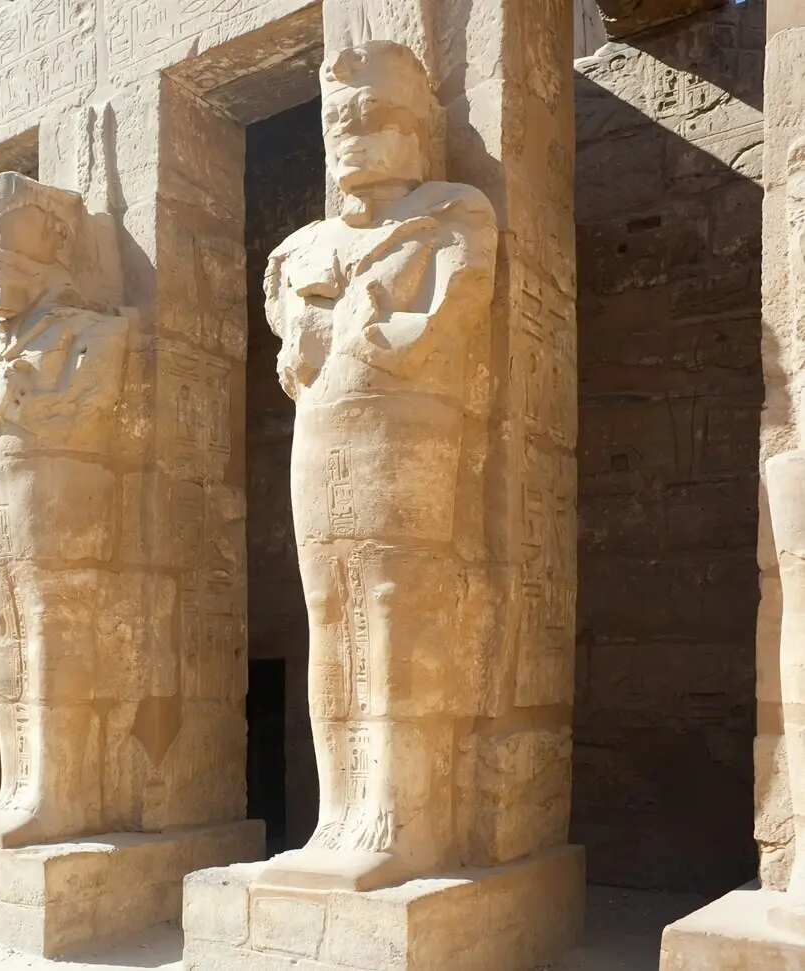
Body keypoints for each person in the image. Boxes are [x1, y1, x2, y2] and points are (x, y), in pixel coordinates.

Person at [259, 41, 498, 892]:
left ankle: (400, 817)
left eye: (375, 116)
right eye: (338, 120)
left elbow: (432, 330)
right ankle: (337, 815)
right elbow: (295, 350)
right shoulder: (296, 249)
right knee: (329, 614)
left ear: (417, 130)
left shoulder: (454, 213)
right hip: (320, 438)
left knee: (397, 613)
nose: (353, 136)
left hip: (407, 434)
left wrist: (347, 321)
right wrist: (337, 321)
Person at [0, 172, 130, 847]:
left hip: (62, 499)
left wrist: (29, 401)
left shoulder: (92, 330)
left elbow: (90, 412)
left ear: (53, 244)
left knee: (54, 632)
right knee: (8, 633)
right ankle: (17, 785)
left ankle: (59, 790)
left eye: (5, 243)